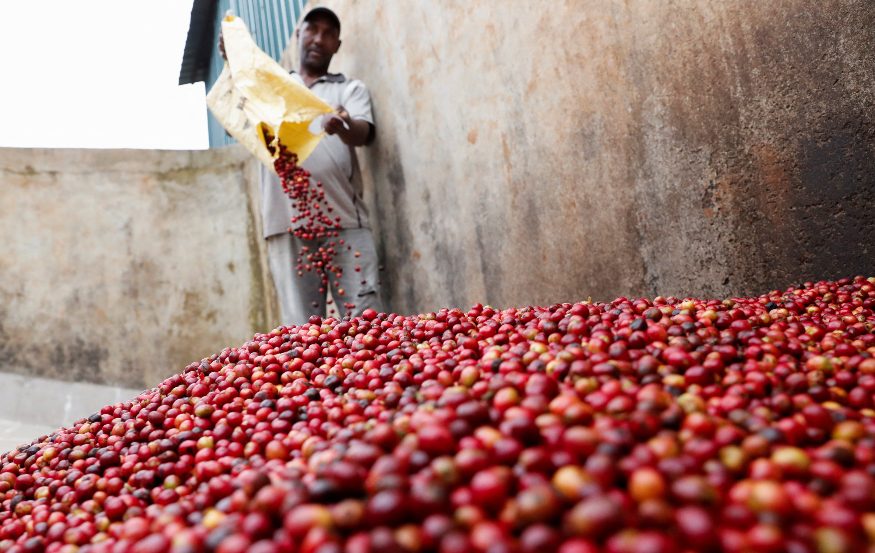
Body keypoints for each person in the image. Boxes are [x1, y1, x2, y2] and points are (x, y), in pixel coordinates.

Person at [221, 6, 383, 325]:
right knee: (302, 332)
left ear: (337, 44)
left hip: (345, 221)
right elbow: (235, 122)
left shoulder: (348, 89)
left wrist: (342, 126)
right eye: (312, 30)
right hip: (287, 223)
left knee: (366, 325)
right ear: (298, 35)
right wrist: (234, 63)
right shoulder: (272, 88)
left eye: (328, 33)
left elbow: (363, 133)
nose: (319, 39)